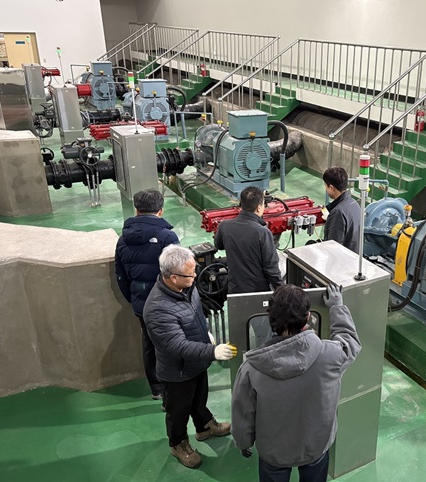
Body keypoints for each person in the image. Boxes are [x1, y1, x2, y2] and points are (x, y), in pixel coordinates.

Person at [231, 284, 361, 482]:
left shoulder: (251, 369)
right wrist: (337, 307)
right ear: (308, 317)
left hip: (274, 451)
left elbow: (243, 413)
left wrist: (243, 442)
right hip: (315, 445)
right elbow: (350, 341)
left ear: (270, 318)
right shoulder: (331, 355)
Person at [143, 245, 237, 468]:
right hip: (178, 371)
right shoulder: (157, 308)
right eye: (190, 274)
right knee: (178, 411)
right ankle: (178, 444)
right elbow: (177, 346)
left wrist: (205, 332)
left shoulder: (186, 287)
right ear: (173, 277)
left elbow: (195, 314)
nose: (195, 277)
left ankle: (204, 427)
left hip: (196, 362)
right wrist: (212, 351)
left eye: (194, 271)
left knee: (198, 398)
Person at [115, 189, 179, 400]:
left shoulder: (122, 240)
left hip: (141, 303)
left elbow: (121, 276)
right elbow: (177, 273)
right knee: (171, 342)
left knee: (149, 343)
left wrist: (134, 298)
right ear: (160, 211)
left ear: (136, 210)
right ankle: (172, 388)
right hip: (167, 303)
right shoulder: (167, 237)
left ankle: (156, 388)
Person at [214, 186, 284, 294]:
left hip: (234, 290)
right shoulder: (263, 233)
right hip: (257, 293)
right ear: (259, 208)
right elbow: (271, 268)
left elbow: (219, 245)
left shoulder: (224, 226)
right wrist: (282, 289)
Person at [323, 166, 361, 254]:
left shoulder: (338, 212)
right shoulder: (354, 203)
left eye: (325, 185)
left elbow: (333, 247)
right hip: (354, 255)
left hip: (343, 260)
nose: (325, 188)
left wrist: (332, 219)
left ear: (331, 188)